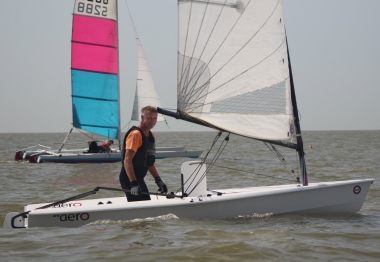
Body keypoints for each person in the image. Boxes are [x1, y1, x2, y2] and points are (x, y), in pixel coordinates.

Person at [119, 106, 167, 202]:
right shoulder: (135, 134)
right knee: (138, 210)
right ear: (142, 117)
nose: (152, 121)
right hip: (129, 179)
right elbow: (127, 160)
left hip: (139, 179)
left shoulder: (151, 135)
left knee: (147, 205)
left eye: (155, 118)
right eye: (149, 118)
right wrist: (133, 183)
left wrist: (158, 180)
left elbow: (150, 163)